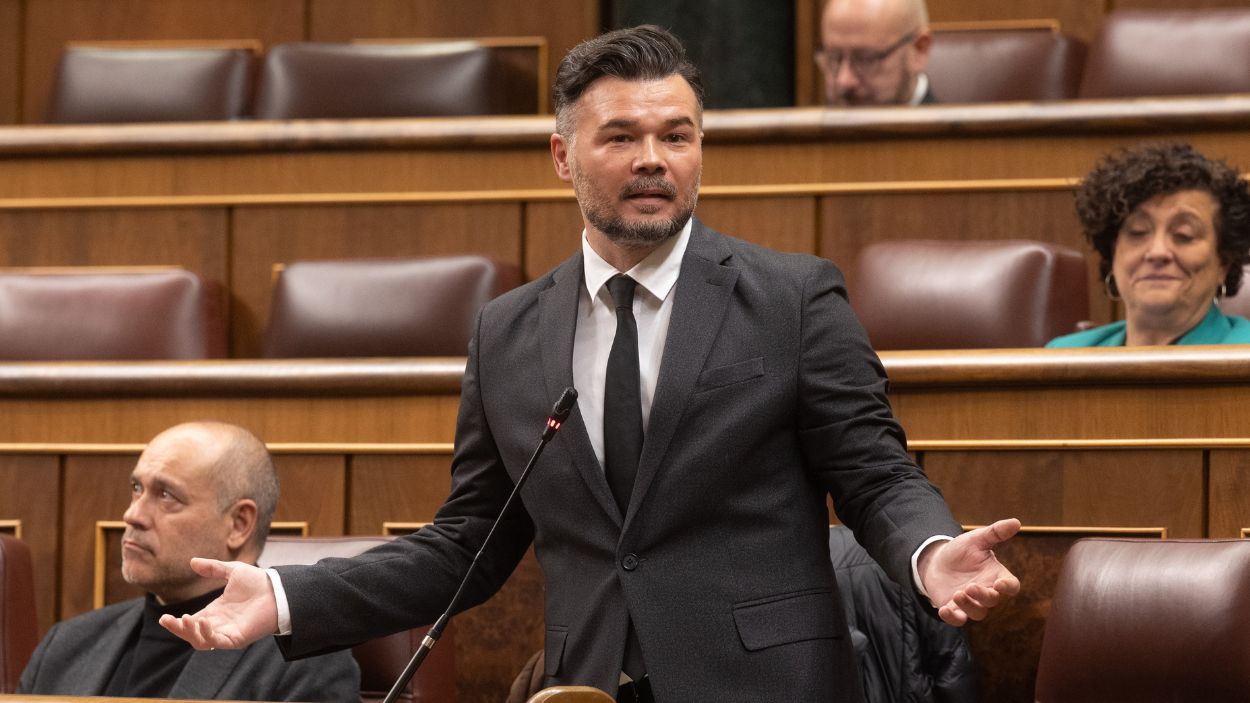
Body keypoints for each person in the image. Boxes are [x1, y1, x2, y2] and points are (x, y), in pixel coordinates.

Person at [161, 26, 1020, 702]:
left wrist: (929, 548)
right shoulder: (508, 331)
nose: (654, 158)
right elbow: (468, 543)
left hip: (766, 684)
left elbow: (875, 471)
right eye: (622, 136)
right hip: (587, 687)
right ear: (563, 156)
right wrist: (283, 595)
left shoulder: (791, 299)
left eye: (676, 135)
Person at [17, 422, 359, 700]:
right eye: (137, 488)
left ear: (238, 524)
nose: (132, 514)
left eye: (166, 496)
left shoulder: (303, 663)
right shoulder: (65, 646)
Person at [1048, 142, 1250, 347]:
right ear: (1113, 252)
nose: (1157, 252)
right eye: (1138, 232)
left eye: (1184, 235)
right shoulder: (1063, 356)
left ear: (1223, 261)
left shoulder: (1243, 354)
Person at [818, 0, 935, 106]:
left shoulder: (949, 129)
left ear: (919, 49)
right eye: (834, 58)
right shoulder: (808, 128)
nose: (843, 81)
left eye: (865, 59)